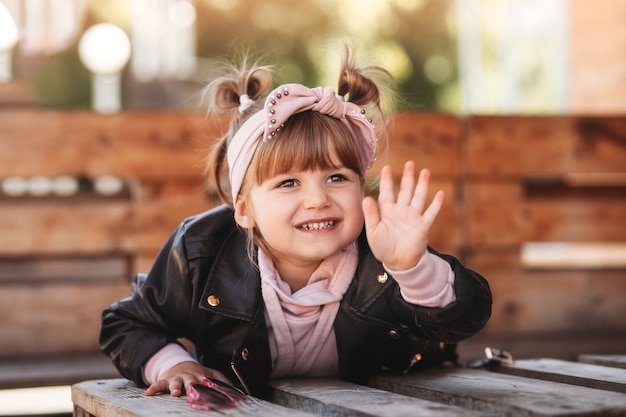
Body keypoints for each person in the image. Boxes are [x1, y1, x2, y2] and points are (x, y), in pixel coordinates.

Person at [99, 48, 492, 399]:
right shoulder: (202, 250)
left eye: (337, 178)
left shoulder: (384, 251)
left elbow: (464, 317)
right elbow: (127, 323)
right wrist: (172, 364)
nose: (318, 199)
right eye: (288, 183)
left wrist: (412, 269)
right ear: (244, 211)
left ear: (361, 189)